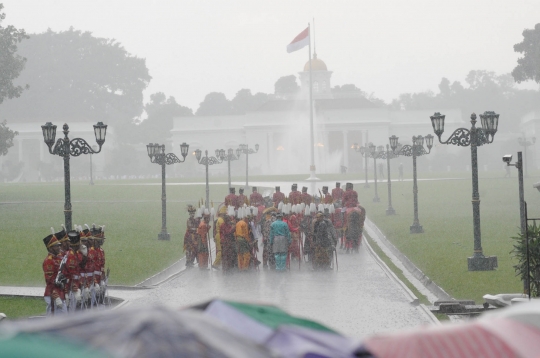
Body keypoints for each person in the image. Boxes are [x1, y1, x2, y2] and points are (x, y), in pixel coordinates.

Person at [43, 232, 65, 315]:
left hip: (59, 292)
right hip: (53, 295)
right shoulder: (49, 261)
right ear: (51, 247)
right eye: (57, 246)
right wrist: (56, 296)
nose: (59, 247)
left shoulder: (56, 259)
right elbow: (50, 281)